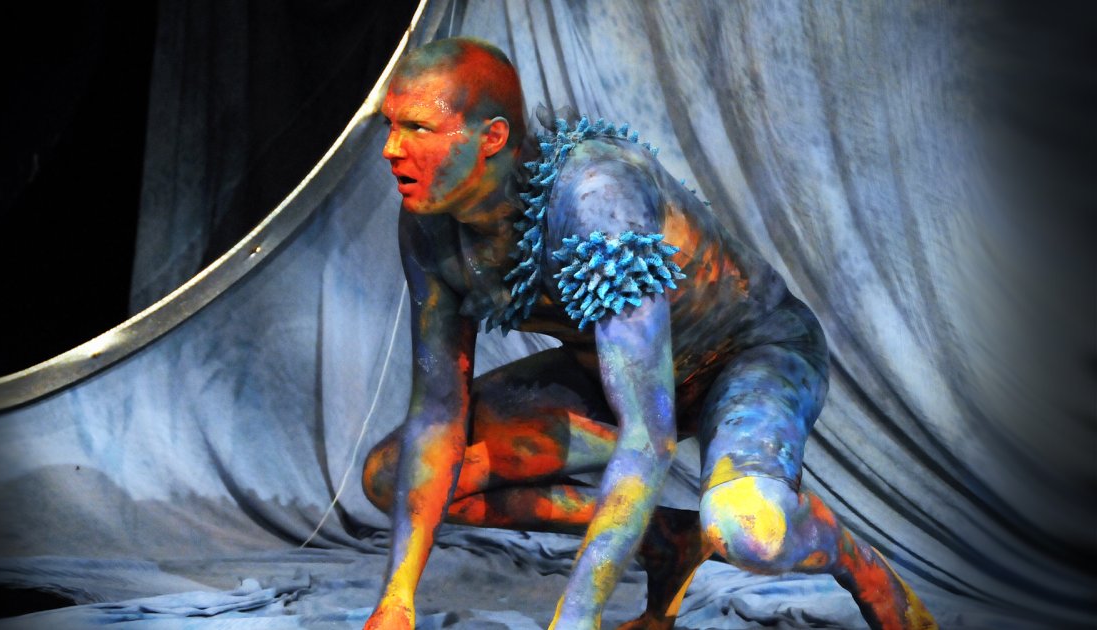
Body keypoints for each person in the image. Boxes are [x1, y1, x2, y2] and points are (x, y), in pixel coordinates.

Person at [360, 37, 935, 630]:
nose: (391, 149)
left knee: (748, 529)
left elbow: (648, 436)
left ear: (493, 138)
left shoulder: (596, 197)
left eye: (417, 127)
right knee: (393, 476)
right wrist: (397, 600)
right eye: (390, 125)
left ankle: (863, 568)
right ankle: (668, 539)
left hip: (747, 359)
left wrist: (577, 616)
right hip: (616, 377)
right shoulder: (429, 223)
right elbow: (439, 412)